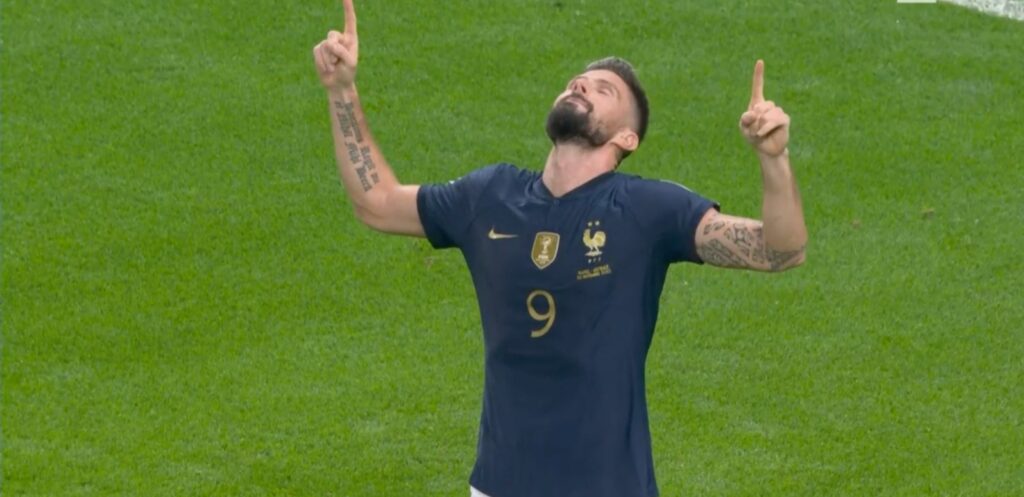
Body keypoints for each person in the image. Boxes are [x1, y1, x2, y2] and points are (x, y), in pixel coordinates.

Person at [312, 1, 807, 496]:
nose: (580, 86)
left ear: (627, 137)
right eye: (577, 82)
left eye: (603, 89)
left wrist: (775, 158)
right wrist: (341, 89)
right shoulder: (491, 196)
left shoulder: (645, 208)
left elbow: (780, 251)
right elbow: (377, 203)